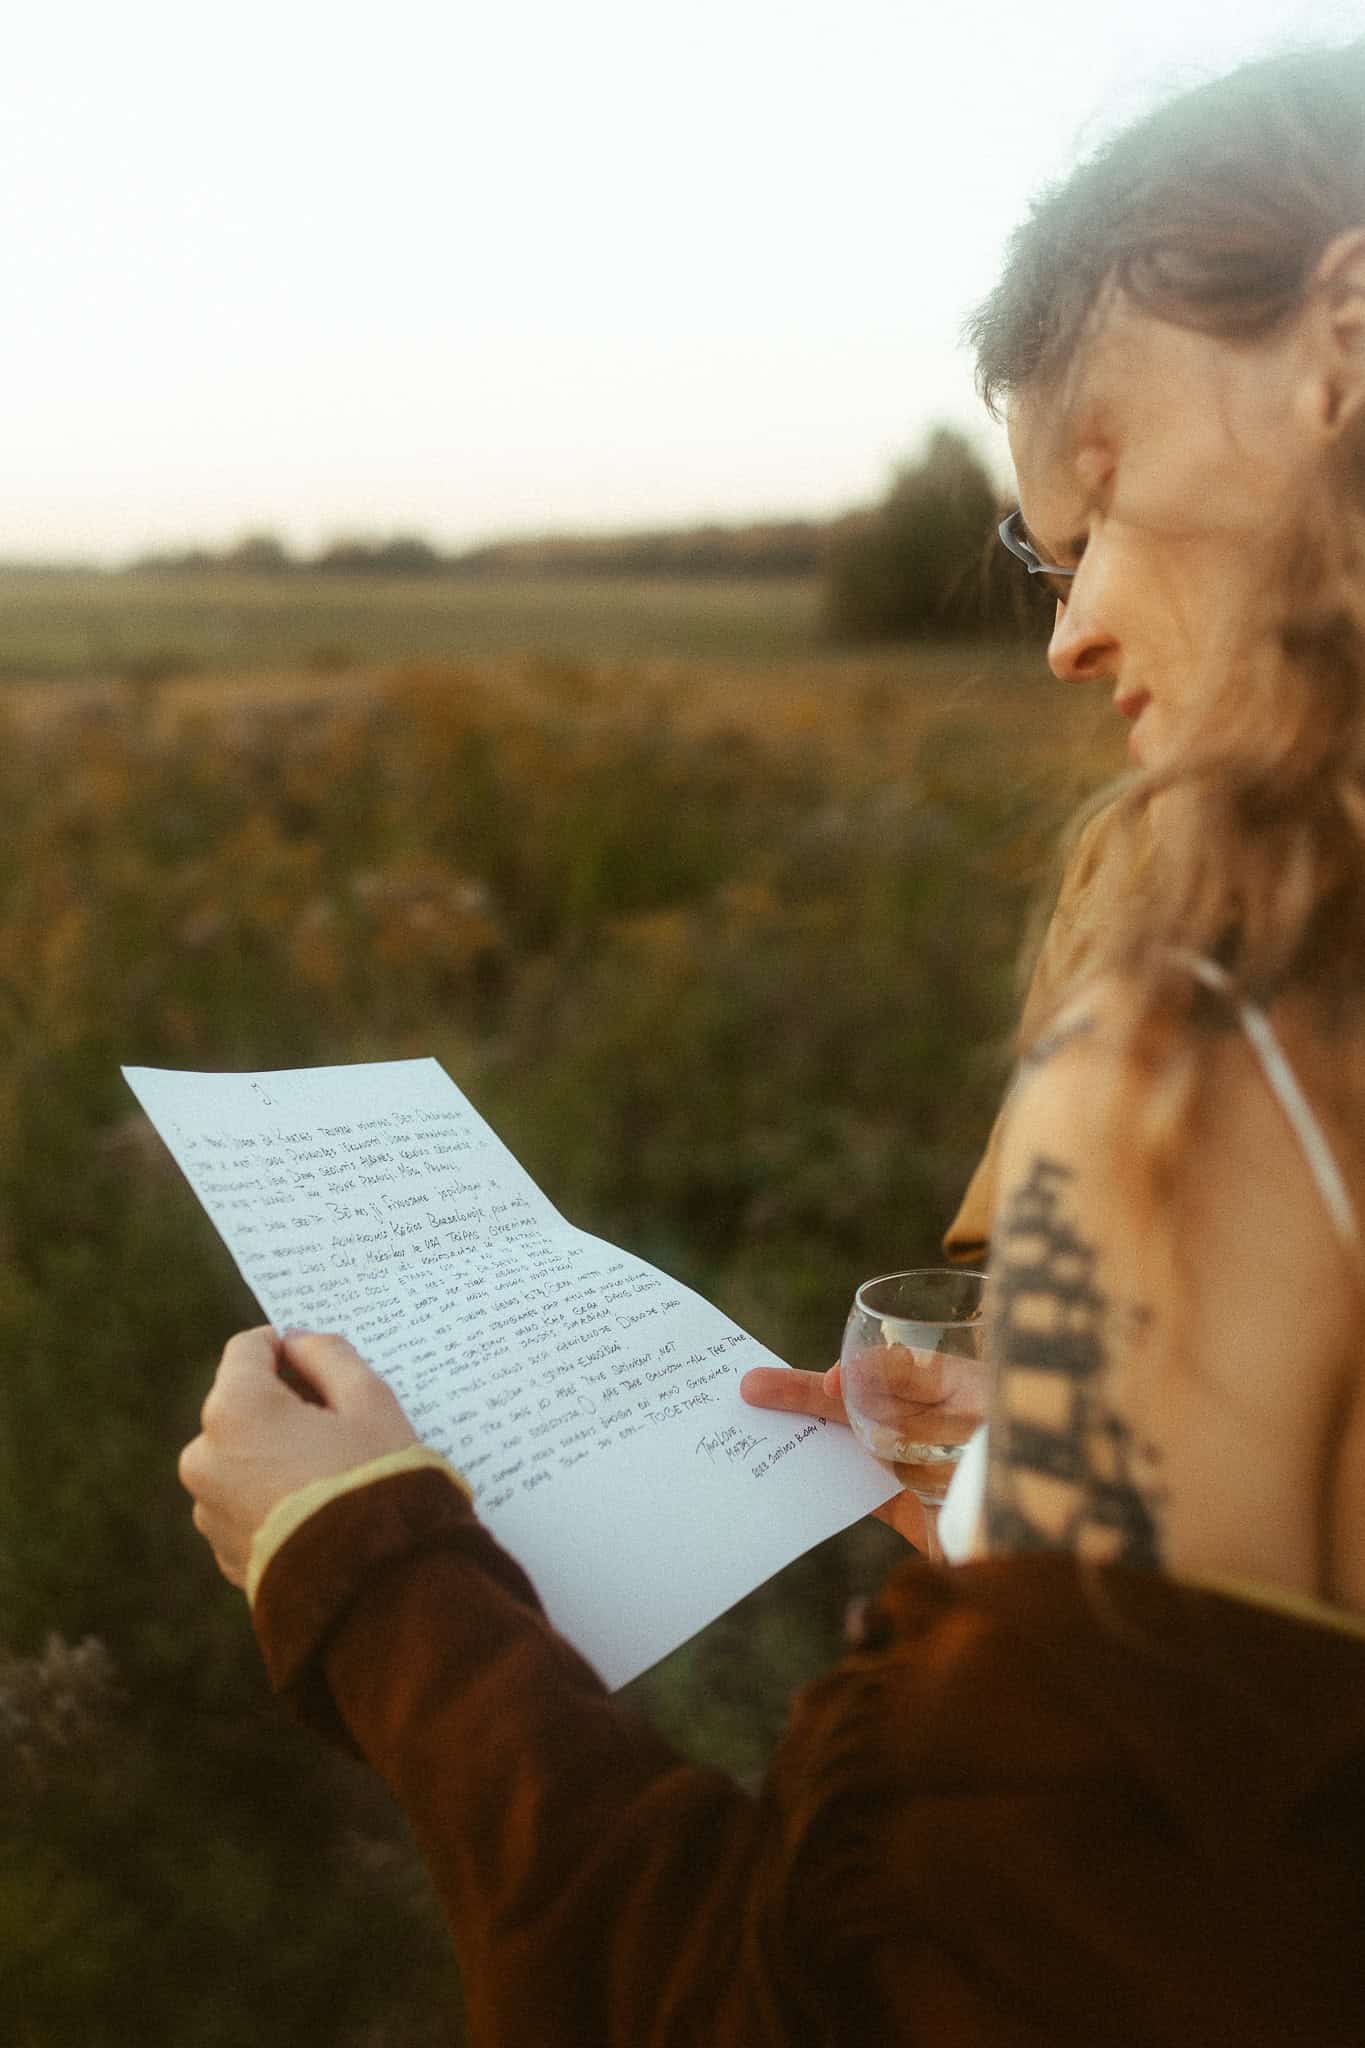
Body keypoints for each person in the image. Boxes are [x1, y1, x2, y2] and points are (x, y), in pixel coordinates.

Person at [179, 43, 1365, 2046]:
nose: (1067, 629)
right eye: (1036, 561)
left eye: (1087, 480)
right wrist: (1038, 1499)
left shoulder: (1217, 1051)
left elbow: (848, 2013)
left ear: (1342, 337)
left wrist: (362, 1566)